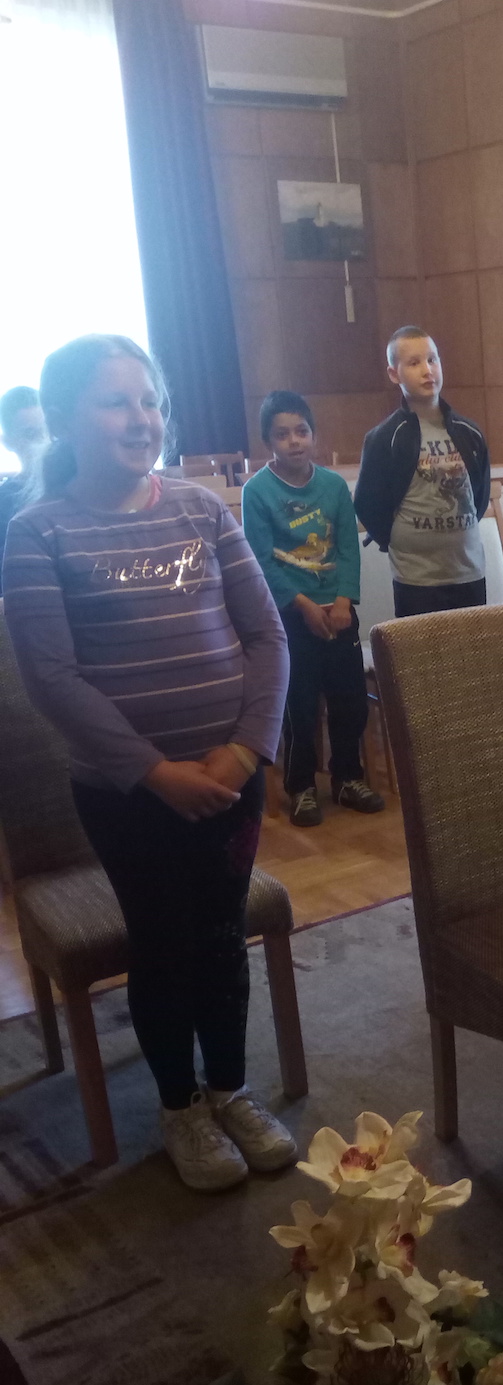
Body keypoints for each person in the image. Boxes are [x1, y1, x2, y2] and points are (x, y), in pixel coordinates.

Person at [1, 335, 296, 1192]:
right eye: (116, 402)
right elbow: (52, 679)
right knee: (163, 944)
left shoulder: (201, 509)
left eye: (150, 400)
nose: (141, 419)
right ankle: (180, 1106)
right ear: (64, 419)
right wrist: (157, 773)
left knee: (221, 935)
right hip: (128, 797)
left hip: (233, 782)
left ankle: (230, 1088)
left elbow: (266, 636)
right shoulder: (37, 531)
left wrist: (245, 749)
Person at [242, 390, 383, 827]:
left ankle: (347, 778)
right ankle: (301, 786)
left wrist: (343, 601)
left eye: (301, 431)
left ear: (314, 435)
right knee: (300, 708)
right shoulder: (257, 492)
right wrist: (303, 605)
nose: (294, 441)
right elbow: (261, 562)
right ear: (269, 442)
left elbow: (348, 549)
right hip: (291, 616)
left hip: (338, 611)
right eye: (283, 434)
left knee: (350, 703)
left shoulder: (334, 486)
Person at [354, 327, 490, 619]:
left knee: (471, 648)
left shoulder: (470, 432)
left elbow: (479, 497)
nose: (427, 370)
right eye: (414, 363)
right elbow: (368, 504)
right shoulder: (385, 438)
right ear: (394, 374)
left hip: (468, 572)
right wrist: (399, 538)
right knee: (420, 650)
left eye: (432, 359)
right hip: (416, 580)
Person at [0, 386, 48, 547]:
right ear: (8, 442)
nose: (44, 441)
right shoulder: (3, 503)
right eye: (31, 434)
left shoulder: (77, 487)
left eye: (48, 430)